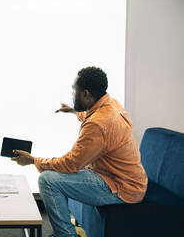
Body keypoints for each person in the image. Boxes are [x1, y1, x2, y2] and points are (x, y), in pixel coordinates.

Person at [11, 67, 148, 237]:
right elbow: (89, 114)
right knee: (57, 173)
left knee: (48, 180)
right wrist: (73, 109)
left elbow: (71, 164)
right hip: (122, 178)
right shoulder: (109, 104)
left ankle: (66, 235)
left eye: (74, 90)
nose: (72, 93)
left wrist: (33, 160)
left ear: (86, 94)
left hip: (120, 187)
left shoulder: (98, 124)